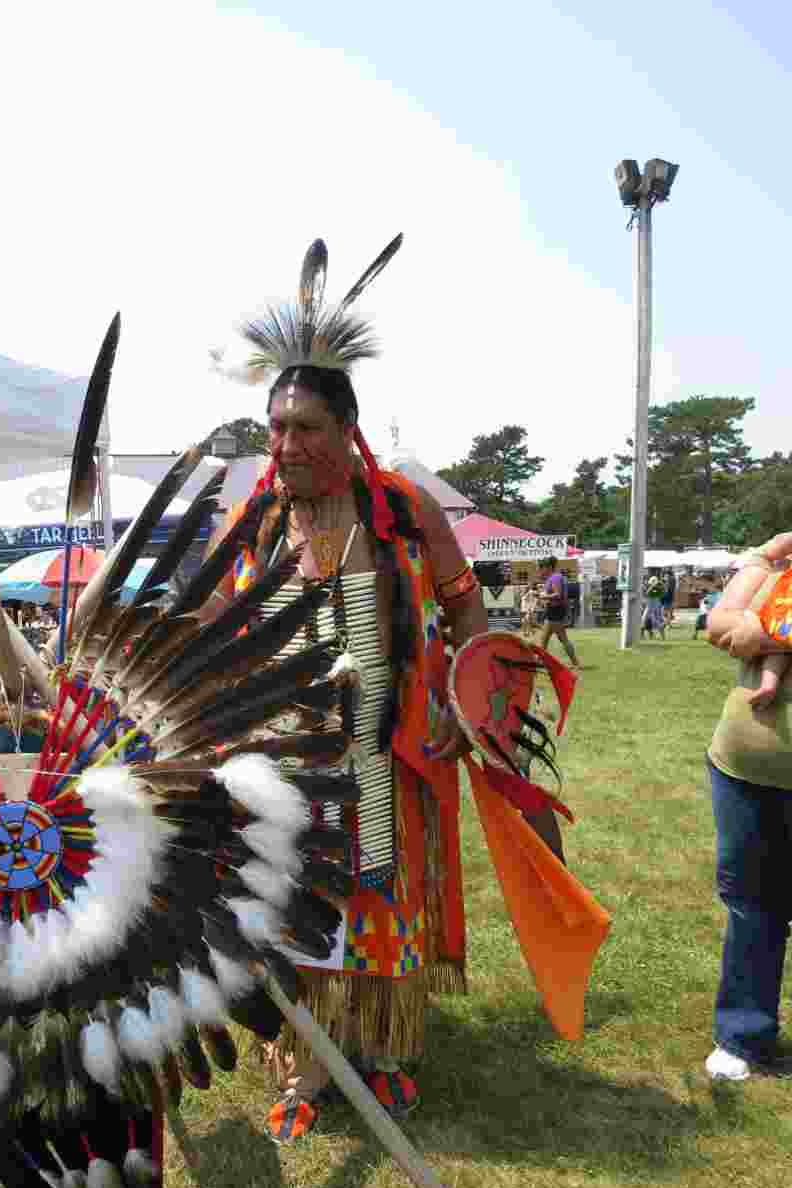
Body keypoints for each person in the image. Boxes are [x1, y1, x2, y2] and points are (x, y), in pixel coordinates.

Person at [204, 234, 607, 1141]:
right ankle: (308, 1059)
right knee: (303, 899)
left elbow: (467, 609)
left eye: (305, 428)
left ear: (347, 432)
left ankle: (380, 1052)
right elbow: (221, 631)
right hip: (292, 759)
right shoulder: (258, 520)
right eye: (276, 428)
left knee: (385, 892)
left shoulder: (403, 509)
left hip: (392, 747)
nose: (287, 444)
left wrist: (472, 700)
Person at [702, 532, 792, 1079]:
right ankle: (743, 1035)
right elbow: (719, 627)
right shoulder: (769, 568)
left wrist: (759, 632)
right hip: (745, 767)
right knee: (753, 905)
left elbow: (743, 633)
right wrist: (761, 630)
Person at [538, 556, 580, 667]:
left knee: (560, 639)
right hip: (555, 611)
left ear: (549, 567)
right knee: (545, 639)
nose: (541, 570)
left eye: (542, 568)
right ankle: (539, 661)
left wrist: (543, 596)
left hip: (555, 612)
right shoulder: (556, 577)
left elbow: (558, 594)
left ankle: (575, 662)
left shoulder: (555, 578)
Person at [641, 576, 667, 641]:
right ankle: (661, 636)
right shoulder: (654, 588)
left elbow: (648, 593)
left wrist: (655, 586)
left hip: (652, 608)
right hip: (652, 607)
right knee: (646, 621)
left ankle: (662, 636)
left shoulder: (656, 589)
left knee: (645, 621)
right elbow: (647, 593)